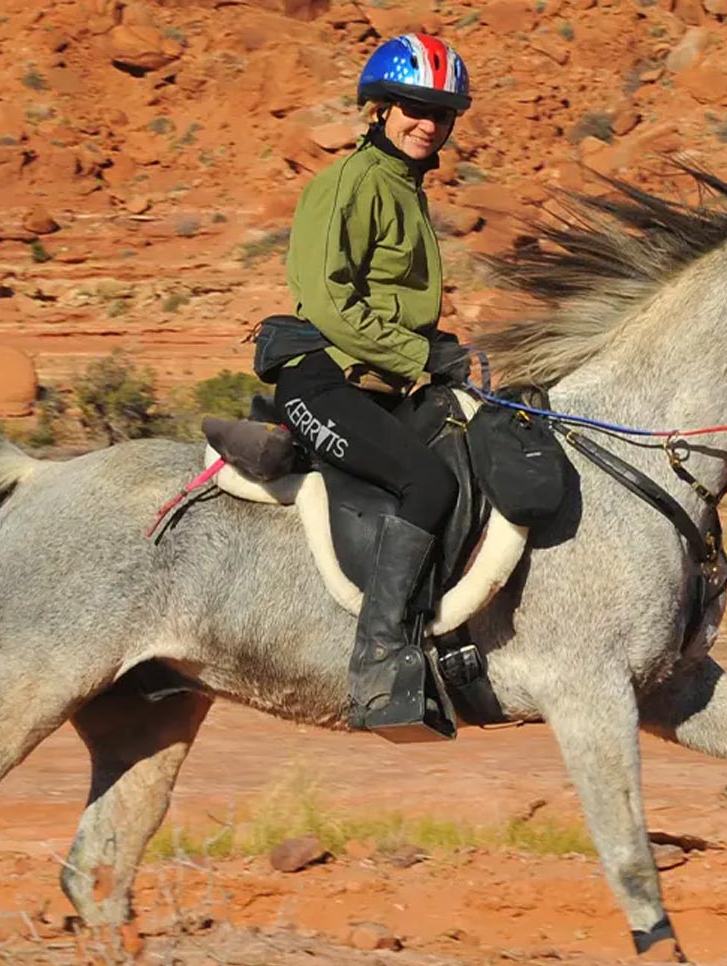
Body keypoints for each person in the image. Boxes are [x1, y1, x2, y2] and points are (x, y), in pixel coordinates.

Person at [275, 33, 473, 739]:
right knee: (428, 484)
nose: (428, 123)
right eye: (415, 108)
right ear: (381, 108)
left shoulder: (406, 188)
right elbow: (329, 304)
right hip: (322, 378)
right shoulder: (347, 184)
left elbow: (391, 302)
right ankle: (379, 666)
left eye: (441, 113)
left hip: (382, 381)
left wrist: (443, 352)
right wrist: (419, 353)